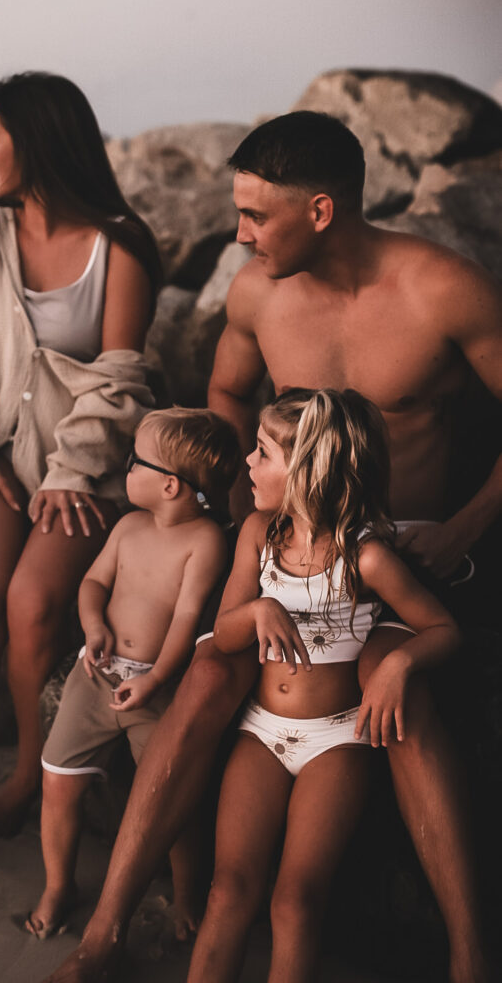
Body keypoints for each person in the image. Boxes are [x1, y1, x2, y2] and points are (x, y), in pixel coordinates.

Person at [47, 112, 500, 983]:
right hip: (286, 541)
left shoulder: (442, 289)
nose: (240, 234)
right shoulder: (258, 292)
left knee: (392, 690)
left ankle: (471, 955)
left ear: (322, 211)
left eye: (256, 217)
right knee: (211, 671)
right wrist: (236, 521)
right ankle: (103, 932)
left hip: (400, 550)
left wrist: (465, 527)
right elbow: (223, 392)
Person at [0, 72, 162, 892]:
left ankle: (29, 775)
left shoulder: (119, 244)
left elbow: (120, 378)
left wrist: (70, 471)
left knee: (31, 607)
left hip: (86, 470)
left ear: (38, 138)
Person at [187, 389, 461, 983]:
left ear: (307, 469)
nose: (248, 464)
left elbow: (443, 629)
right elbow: (223, 633)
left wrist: (397, 664)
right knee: (228, 888)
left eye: (262, 453)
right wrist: (258, 610)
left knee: (295, 900)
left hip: (334, 741)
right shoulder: (258, 534)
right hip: (261, 732)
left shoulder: (365, 558)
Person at [25, 407, 239, 941]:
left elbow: (188, 620)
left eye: (134, 460)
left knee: (172, 801)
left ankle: (186, 894)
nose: (126, 466)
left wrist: (156, 679)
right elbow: (93, 583)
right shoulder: (128, 526)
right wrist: (93, 625)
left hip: (157, 688)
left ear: (169, 485)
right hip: (97, 675)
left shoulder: (205, 542)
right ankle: (58, 885)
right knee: (57, 781)